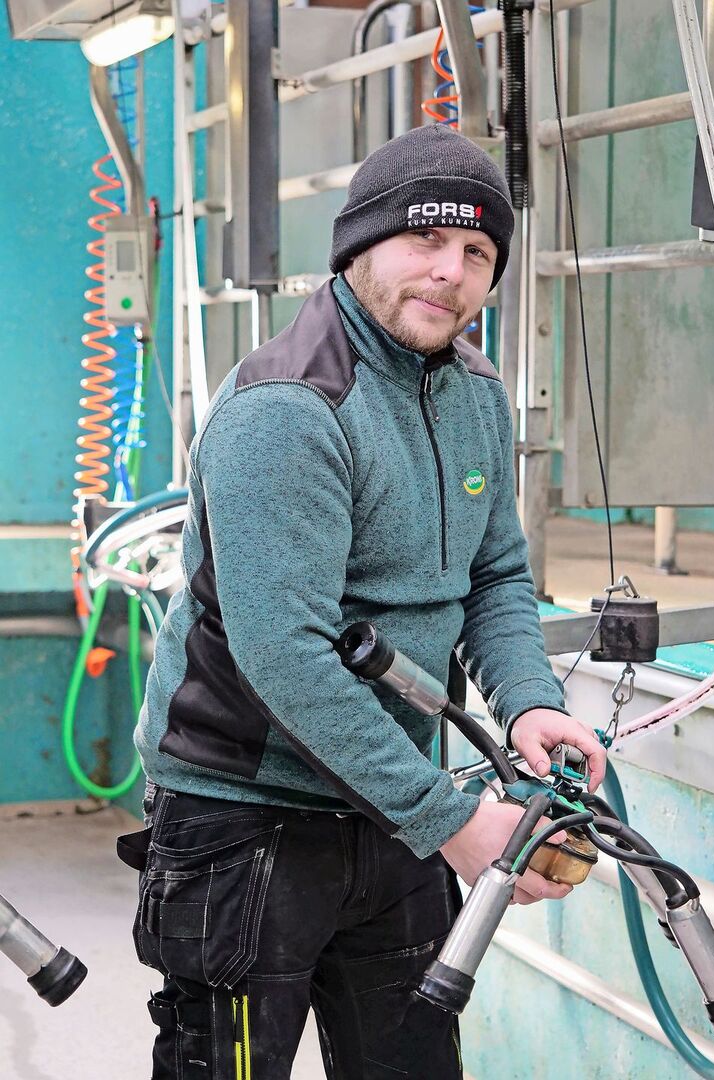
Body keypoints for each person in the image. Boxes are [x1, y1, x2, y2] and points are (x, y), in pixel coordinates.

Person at [125, 124, 607, 1079]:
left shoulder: (475, 393)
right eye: (425, 239)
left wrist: (529, 702)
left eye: (478, 252)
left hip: (390, 806)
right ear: (358, 248)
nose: (451, 271)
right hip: (245, 817)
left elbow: (493, 576)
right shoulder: (287, 408)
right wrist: (450, 821)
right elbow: (287, 653)